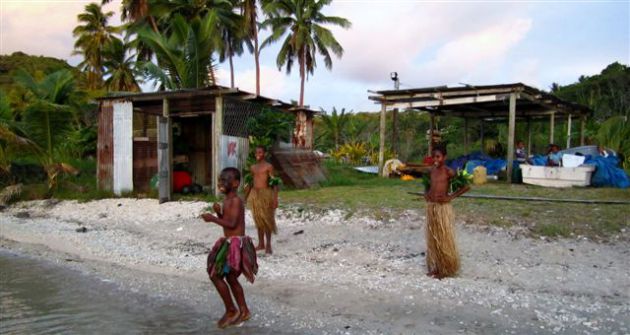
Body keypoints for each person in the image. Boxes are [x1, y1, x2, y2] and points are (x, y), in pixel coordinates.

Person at [202, 167, 258, 328]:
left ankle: (232, 310)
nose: (221, 183)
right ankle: (243, 310)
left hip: (236, 244)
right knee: (230, 277)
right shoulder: (227, 201)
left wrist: (213, 219)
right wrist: (219, 214)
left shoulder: (235, 201)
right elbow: (229, 221)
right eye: (220, 180)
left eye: (224, 180)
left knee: (216, 275)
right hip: (229, 241)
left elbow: (232, 224)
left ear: (235, 183)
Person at [423, 144, 470, 279]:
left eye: (438, 157)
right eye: (433, 157)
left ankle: (446, 268)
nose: (435, 159)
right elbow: (428, 186)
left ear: (445, 157)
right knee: (434, 239)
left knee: (443, 240)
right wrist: (426, 194)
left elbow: (465, 186)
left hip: (443, 209)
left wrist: (450, 197)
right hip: (432, 208)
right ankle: (437, 266)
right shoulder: (431, 171)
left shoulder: (448, 171)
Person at [245, 146, 278, 255]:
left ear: (264, 153)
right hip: (255, 195)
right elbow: (250, 183)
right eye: (256, 152)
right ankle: (261, 244)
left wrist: (275, 199)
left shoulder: (269, 167)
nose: (257, 154)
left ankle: (268, 244)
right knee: (258, 220)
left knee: (267, 220)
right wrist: (245, 198)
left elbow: (274, 184)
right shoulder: (253, 167)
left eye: (260, 152)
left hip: (266, 194)